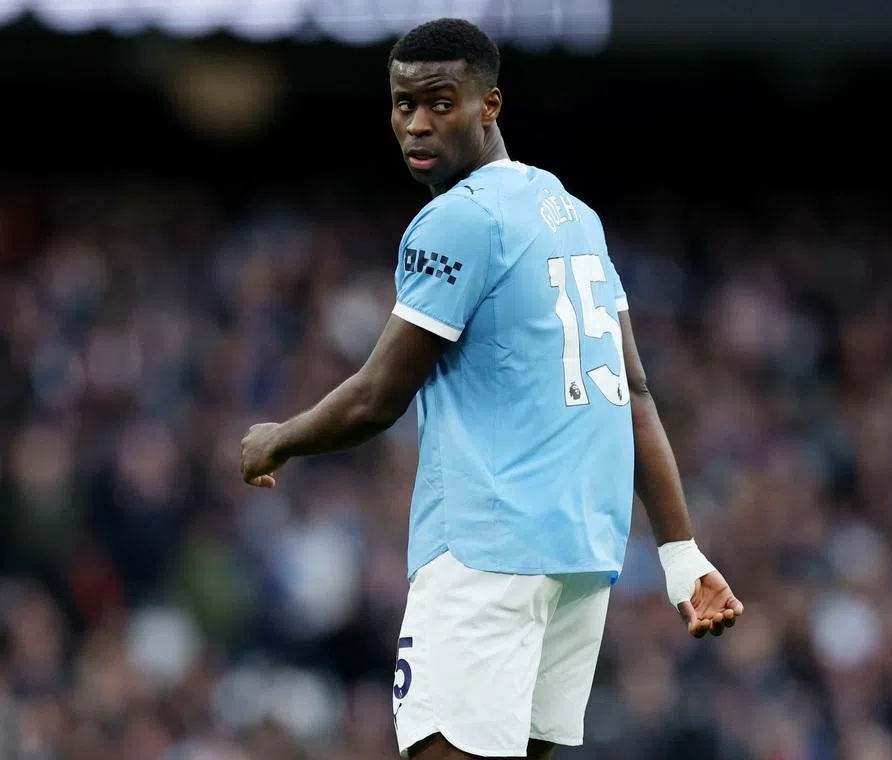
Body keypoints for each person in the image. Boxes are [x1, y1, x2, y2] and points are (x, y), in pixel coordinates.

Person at [239, 17, 743, 760]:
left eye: (440, 102)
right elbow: (633, 393)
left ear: (490, 106)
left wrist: (275, 439)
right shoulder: (576, 218)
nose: (416, 123)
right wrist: (679, 552)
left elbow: (379, 396)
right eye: (402, 103)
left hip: (486, 555)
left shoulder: (454, 222)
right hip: (579, 560)